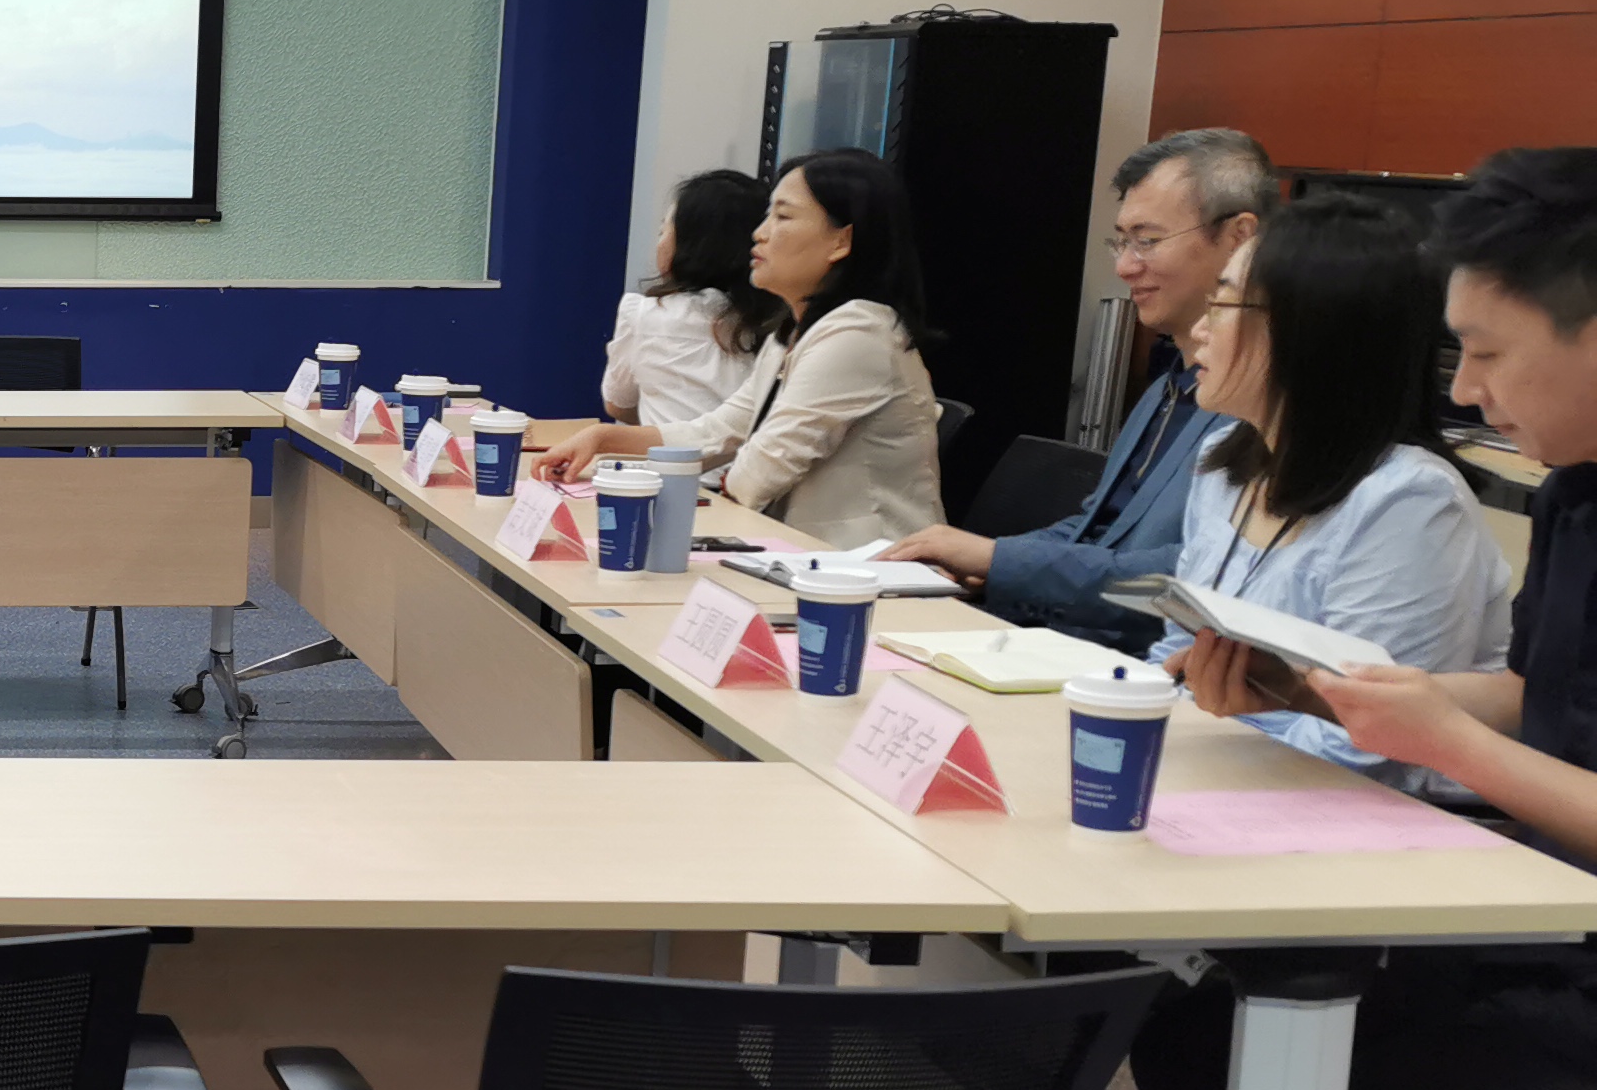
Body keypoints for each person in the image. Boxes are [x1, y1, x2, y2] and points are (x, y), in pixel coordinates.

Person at [1128, 148, 1597, 1090]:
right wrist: (1347, 694)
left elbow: (1516, 749)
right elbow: (1547, 700)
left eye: (1491, 355)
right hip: (1543, 925)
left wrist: (1444, 737)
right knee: (1207, 1041)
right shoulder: (1577, 495)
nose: (1466, 391)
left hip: (1571, 964)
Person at [1152, 193, 1512, 784]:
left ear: (1310, 330)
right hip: (1230, 772)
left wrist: (1209, 731)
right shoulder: (1223, 459)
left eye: (1221, 303)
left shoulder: (1409, 501)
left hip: (1361, 811)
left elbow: (1373, 751)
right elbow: (1176, 653)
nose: (1197, 329)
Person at [881, 126, 1269, 652]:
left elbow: (1199, 576)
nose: (1124, 266)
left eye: (1148, 241)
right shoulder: (1166, 387)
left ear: (1239, 237)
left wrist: (1000, 562)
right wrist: (983, 562)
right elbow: (1096, 528)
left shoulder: (1260, 405)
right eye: (1122, 241)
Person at [536, 148, 943, 545]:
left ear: (841, 242)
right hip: (805, 556)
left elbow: (759, 472)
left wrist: (709, 484)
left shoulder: (859, 333)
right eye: (766, 215)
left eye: (783, 216)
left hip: (872, 569)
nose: (760, 232)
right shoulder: (797, 330)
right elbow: (718, 431)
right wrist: (604, 439)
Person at [600, 168, 779, 429]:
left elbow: (618, 403)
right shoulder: (776, 319)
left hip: (666, 452)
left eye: (663, 231)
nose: (659, 241)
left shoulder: (645, 313)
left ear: (690, 246)